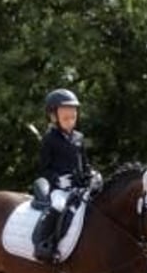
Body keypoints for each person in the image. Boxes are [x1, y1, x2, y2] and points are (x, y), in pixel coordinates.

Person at [33, 88, 101, 263]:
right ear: (54, 117)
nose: (71, 122)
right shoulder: (49, 139)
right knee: (59, 206)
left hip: (79, 186)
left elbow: (85, 164)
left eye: (73, 117)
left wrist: (92, 174)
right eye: (66, 118)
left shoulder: (78, 137)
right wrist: (58, 180)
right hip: (59, 188)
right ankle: (46, 244)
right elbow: (43, 169)